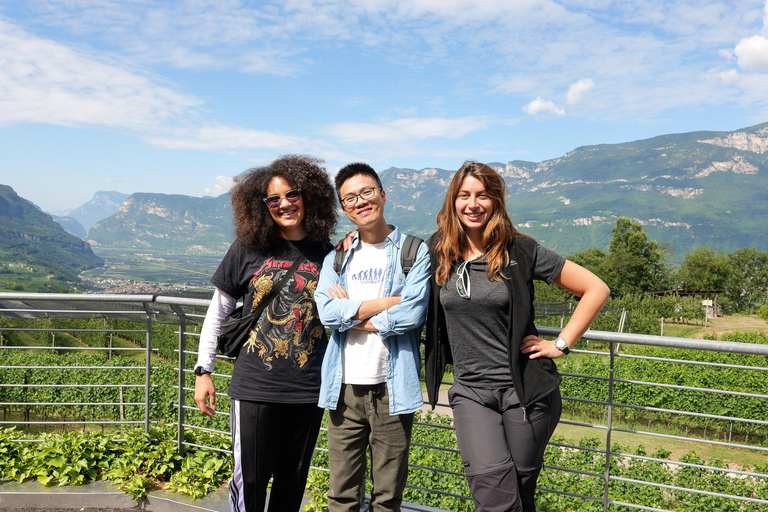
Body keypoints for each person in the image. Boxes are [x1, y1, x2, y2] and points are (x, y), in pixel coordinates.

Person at [423, 161, 610, 512]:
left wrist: (561, 344)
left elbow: (595, 288)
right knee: (494, 494)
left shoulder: (520, 250)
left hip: (526, 393)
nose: (473, 204)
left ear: (495, 200)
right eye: (464, 195)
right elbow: (397, 274)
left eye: (482, 195)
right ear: (453, 201)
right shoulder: (438, 251)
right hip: (471, 392)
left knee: (520, 492)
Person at [194, 155, 337, 512]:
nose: (284, 204)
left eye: (292, 194)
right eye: (274, 199)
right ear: (262, 206)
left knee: (292, 483)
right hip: (255, 387)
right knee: (250, 482)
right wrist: (203, 370)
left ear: (309, 196)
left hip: (308, 388)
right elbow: (218, 312)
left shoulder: (329, 254)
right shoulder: (247, 249)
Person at [315, 163, 430, 512]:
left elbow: (411, 314)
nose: (360, 201)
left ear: (383, 194)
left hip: (392, 388)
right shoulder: (337, 257)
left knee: (387, 497)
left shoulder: (414, 251)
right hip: (343, 388)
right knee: (341, 495)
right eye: (350, 198)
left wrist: (349, 315)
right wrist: (387, 303)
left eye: (367, 192)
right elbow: (327, 313)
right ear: (344, 208)